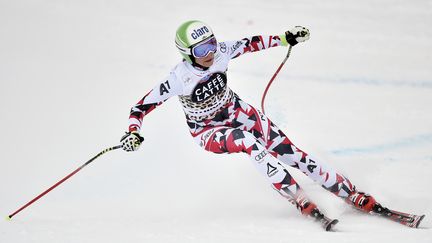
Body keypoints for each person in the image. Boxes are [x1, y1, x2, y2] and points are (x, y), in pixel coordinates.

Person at [120, 20, 379, 224]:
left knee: (292, 153)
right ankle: (299, 198)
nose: (210, 52)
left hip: (236, 111)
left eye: (211, 43)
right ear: (187, 54)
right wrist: (133, 132)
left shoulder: (221, 51)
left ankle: (350, 192)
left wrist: (284, 39)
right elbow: (140, 107)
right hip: (207, 131)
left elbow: (250, 43)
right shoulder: (179, 78)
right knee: (249, 142)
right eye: (201, 49)